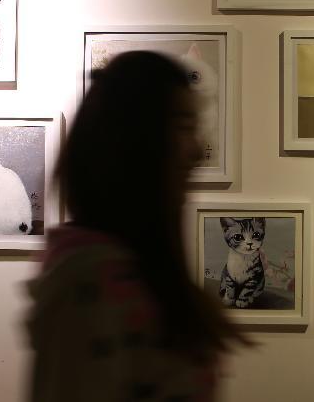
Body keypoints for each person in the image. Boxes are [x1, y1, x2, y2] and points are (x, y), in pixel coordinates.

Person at [26, 51, 247, 401]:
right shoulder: (90, 282)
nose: (194, 149)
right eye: (183, 126)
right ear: (135, 143)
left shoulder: (129, 270)